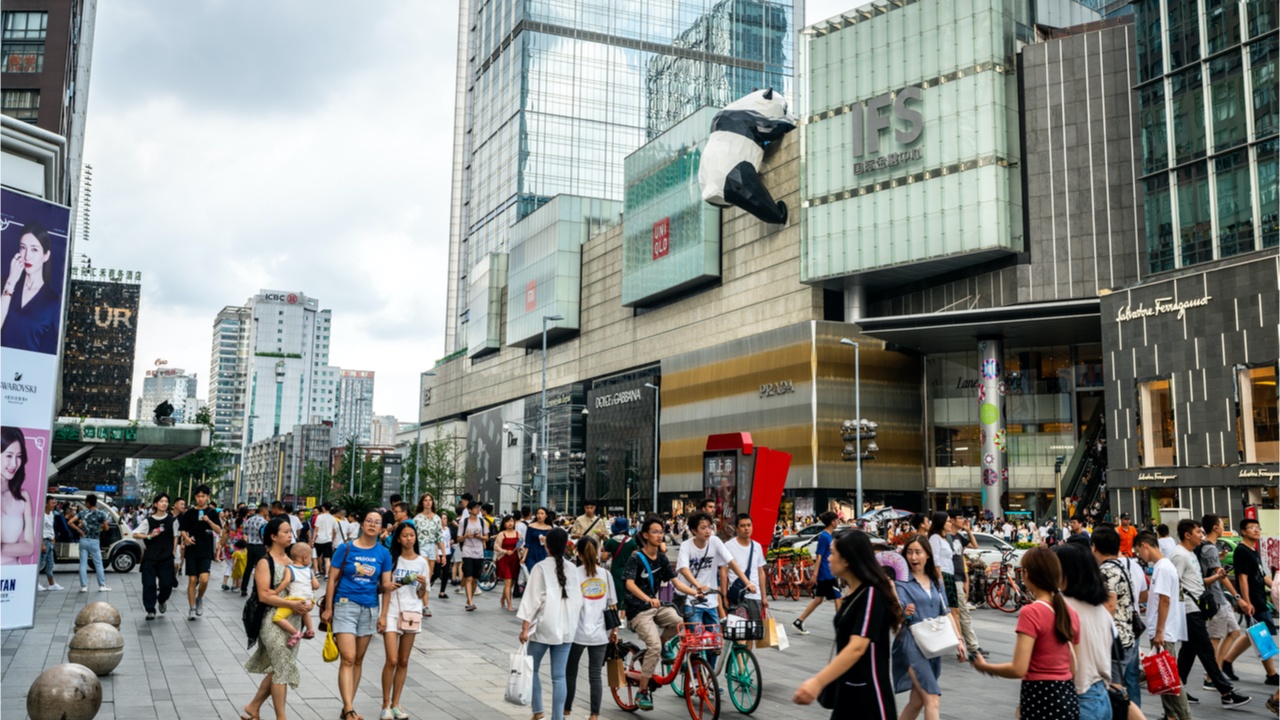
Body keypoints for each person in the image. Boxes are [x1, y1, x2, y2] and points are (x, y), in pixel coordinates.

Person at [793, 530, 902, 719]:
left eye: (833, 553)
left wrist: (817, 682)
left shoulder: (871, 595)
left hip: (870, 697)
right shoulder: (852, 593)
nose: (828, 558)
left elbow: (857, 648)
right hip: (847, 692)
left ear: (847, 560)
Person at [972, 548, 1080, 720]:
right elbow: (1074, 669)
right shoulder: (1071, 613)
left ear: (1027, 574)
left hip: (1039, 697)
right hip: (1067, 697)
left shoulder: (1031, 612)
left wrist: (986, 667)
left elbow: (1019, 668)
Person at [623, 515, 703, 711]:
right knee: (655, 647)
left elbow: (676, 582)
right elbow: (629, 583)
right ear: (645, 535)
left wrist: (696, 591)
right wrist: (647, 598)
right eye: (655, 532)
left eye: (662, 532)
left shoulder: (662, 558)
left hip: (655, 607)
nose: (660, 536)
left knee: (678, 622)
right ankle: (642, 691)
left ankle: (660, 645)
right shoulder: (636, 557)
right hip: (638, 611)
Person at [1167, 519, 1248, 707]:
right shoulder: (1179, 555)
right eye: (1198, 532)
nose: (1201, 536)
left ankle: (1177, 689)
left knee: (1189, 650)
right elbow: (1174, 584)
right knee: (1205, 650)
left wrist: (1216, 577)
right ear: (1187, 535)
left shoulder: (1190, 554)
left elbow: (1196, 581)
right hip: (1189, 610)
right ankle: (1226, 692)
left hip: (1196, 608)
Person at [322, 510, 394, 720]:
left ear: (381, 528)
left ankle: (347, 708)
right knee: (348, 658)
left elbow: (387, 586)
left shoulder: (383, 554)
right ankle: (349, 707)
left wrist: (383, 615)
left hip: (370, 608)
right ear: (362, 524)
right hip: (345, 605)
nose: (372, 524)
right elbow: (332, 579)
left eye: (377, 522)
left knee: (359, 659)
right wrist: (328, 607)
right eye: (369, 521)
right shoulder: (345, 548)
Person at [241, 516, 309, 720]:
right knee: (281, 668)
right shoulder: (264, 562)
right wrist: (291, 604)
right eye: (286, 532)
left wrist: (306, 605)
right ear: (273, 536)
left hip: (293, 622)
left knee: (280, 667)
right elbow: (264, 596)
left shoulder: (293, 561)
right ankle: (281, 717)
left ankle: (253, 707)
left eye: (291, 531)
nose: (291, 535)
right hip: (271, 621)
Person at [892, 534, 966, 720]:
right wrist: (904, 611)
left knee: (917, 701)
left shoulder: (936, 581)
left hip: (933, 645)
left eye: (918, 552)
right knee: (932, 698)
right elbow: (897, 613)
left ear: (927, 555)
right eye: (909, 552)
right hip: (911, 644)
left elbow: (946, 611)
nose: (913, 557)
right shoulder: (901, 582)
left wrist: (959, 639)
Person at [518, 527, 583, 720]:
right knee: (559, 676)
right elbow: (579, 600)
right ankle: (558, 718)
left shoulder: (540, 568)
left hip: (545, 627)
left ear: (546, 546)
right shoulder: (572, 569)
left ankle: (538, 711)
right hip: (567, 628)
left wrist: (524, 628)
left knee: (533, 668)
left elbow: (531, 600)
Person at [676, 510, 756, 659]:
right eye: (703, 528)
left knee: (715, 645)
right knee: (698, 644)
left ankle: (709, 680)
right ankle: (695, 678)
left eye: (709, 527)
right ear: (694, 531)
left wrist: (747, 582)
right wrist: (698, 585)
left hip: (711, 601)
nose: (708, 531)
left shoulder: (715, 541)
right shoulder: (686, 546)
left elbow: (732, 562)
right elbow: (684, 569)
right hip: (691, 600)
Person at [1053, 542, 1115, 720]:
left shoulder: (1061, 605)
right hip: (1102, 695)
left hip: (1079, 696)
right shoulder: (1101, 609)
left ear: (1066, 572)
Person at [1134, 531, 1192, 720]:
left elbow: (1165, 600)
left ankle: (1184, 716)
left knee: (1171, 678)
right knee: (1163, 676)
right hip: (1161, 630)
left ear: (1145, 545)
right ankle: (1171, 715)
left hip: (1163, 632)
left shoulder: (1163, 568)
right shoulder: (1163, 566)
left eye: (1138, 551)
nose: (1140, 556)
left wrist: (1159, 631)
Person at [1197, 513, 1256, 687]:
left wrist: (1220, 560)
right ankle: (1210, 677)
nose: (1224, 528)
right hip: (1215, 599)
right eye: (1222, 525)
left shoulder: (1208, 547)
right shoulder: (1210, 548)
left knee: (1234, 632)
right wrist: (1238, 597)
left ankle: (1217, 668)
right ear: (1215, 528)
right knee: (1215, 637)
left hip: (1219, 597)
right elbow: (1221, 576)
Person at [379, 521, 428, 720]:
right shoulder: (392, 560)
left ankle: (396, 703)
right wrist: (382, 615)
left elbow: (421, 595)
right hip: (392, 612)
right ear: (398, 538)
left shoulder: (422, 562)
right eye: (405, 535)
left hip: (412, 613)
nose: (409, 539)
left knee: (404, 660)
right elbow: (385, 590)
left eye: (412, 535)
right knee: (392, 659)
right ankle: (385, 704)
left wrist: (423, 585)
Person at [1092, 524, 1144, 708]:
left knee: (1114, 691)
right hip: (1127, 636)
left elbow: (1110, 605)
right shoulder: (1122, 567)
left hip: (1115, 640)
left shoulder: (1106, 570)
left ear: (1094, 547)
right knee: (1119, 688)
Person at [565, 536, 617, 720]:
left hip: (576, 633)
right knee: (595, 675)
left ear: (578, 553)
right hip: (600, 633)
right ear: (597, 552)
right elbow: (612, 605)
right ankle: (594, 714)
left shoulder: (574, 574)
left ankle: (567, 709)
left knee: (570, 671)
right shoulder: (606, 575)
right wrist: (615, 631)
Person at [1224, 516, 1279, 686]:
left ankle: (1227, 662)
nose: (1256, 530)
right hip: (1253, 601)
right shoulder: (1241, 551)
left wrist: (1276, 586)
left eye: (1258, 527)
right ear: (1243, 531)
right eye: (1252, 527)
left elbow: (1261, 576)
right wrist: (1246, 602)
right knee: (1262, 635)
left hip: (1259, 598)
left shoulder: (1253, 551)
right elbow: (1242, 578)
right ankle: (1271, 674)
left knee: (1254, 634)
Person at [1, 222, 61, 353]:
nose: (27, 256)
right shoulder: (5, 283)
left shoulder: (54, 302)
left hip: (27, 370)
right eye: (23, 248)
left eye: (34, 249)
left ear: (46, 255)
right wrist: (10, 282)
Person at [793, 511, 842, 635]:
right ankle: (841, 627)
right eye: (836, 520)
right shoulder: (824, 536)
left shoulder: (828, 536)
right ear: (832, 522)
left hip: (826, 572)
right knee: (838, 598)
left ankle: (799, 621)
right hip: (826, 573)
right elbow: (819, 556)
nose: (838, 522)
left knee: (819, 599)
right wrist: (815, 574)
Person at [133, 493, 179, 619]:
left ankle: (162, 600)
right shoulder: (148, 521)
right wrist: (148, 536)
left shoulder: (172, 520)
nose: (164, 503)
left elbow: (176, 536)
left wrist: (174, 552)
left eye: (166, 501)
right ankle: (150, 609)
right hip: (150, 558)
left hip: (166, 558)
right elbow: (135, 534)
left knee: (166, 585)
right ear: (155, 504)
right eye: (161, 501)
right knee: (148, 584)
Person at [179, 484, 222, 620]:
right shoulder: (189, 513)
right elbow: (183, 529)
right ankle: (191, 608)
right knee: (192, 579)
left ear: (208, 497)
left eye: (203, 496)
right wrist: (186, 538)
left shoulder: (212, 512)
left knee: (204, 580)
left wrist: (209, 521)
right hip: (192, 549)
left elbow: (218, 530)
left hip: (206, 550)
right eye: (198, 496)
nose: (200, 499)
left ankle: (199, 599)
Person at [948, 512, 983, 656]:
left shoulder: (959, 537)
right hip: (952, 578)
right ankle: (972, 647)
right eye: (960, 517)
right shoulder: (946, 537)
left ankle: (966, 645)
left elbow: (975, 545)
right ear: (951, 520)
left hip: (959, 577)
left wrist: (968, 530)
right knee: (962, 613)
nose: (963, 520)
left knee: (959, 613)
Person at [0, 427, 36, 567]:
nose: (14, 464)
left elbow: (30, 548)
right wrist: (15, 548)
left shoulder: (23, 497)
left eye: (19, 456)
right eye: (9, 455)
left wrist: (2, 548)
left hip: (13, 576)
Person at [271, 543, 319, 647]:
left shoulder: (290, 568)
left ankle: (294, 632)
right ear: (305, 557)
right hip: (309, 601)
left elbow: (286, 582)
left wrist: (275, 592)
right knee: (305, 612)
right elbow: (316, 586)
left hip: (295, 600)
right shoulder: (309, 571)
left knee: (277, 618)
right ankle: (310, 630)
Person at [723, 513, 769, 620]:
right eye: (743, 526)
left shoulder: (757, 546)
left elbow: (761, 573)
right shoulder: (728, 546)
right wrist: (724, 596)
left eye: (749, 525)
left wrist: (764, 597)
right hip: (737, 596)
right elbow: (724, 572)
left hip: (754, 595)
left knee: (754, 630)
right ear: (737, 528)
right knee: (740, 629)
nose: (746, 528)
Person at [69, 493, 110, 592]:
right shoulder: (101, 514)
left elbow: (70, 522)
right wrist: (99, 528)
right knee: (98, 564)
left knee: (83, 563)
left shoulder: (82, 513)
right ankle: (102, 585)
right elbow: (107, 528)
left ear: (88, 503)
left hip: (83, 540)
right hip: (94, 541)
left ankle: (83, 586)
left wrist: (79, 530)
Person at [412, 493, 446, 613]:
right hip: (421, 547)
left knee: (429, 576)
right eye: (425, 500)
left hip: (432, 547)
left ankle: (421, 597)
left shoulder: (437, 518)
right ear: (422, 503)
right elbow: (413, 535)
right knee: (425, 573)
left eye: (430, 500)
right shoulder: (417, 518)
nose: (428, 502)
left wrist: (443, 554)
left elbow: (439, 537)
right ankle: (425, 605)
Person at [457, 502, 490, 611]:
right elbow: (458, 538)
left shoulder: (482, 521)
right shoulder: (464, 522)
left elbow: (487, 537)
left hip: (479, 552)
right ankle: (470, 602)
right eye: (475, 507)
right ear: (469, 510)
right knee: (469, 577)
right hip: (467, 551)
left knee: (475, 579)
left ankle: (469, 599)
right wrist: (466, 536)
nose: (478, 509)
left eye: (478, 507)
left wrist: (480, 537)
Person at [494, 514, 522, 611]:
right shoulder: (501, 534)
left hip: (515, 559)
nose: (510, 523)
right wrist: (505, 551)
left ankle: (502, 598)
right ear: (504, 523)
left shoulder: (518, 534)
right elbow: (496, 547)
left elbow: (521, 545)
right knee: (508, 581)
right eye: (508, 521)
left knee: (511, 582)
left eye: (512, 521)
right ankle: (509, 604)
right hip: (504, 559)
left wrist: (519, 549)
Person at [241, 504, 269, 596]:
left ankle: (243, 588)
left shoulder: (249, 520)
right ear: (263, 510)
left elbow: (245, 532)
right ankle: (255, 588)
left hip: (250, 546)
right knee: (259, 568)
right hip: (260, 546)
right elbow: (265, 534)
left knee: (248, 567)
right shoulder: (263, 521)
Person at [37, 495, 62, 590]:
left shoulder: (51, 513)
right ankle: (36, 583)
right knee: (41, 563)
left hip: (50, 540)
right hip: (44, 541)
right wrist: (42, 543)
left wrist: (53, 537)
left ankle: (51, 584)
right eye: (52, 503)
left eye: (54, 503)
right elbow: (40, 530)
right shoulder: (42, 515)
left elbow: (51, 527)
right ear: (46, 504)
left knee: (50, 563)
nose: (54, 505)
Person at [312, 502, 338, 579]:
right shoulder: (333, 518)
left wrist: (313, 540)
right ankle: (326, 574)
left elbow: (316, 529)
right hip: (328, 540)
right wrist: (332, 541)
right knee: (327, 558)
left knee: (315, 556)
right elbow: (334, 531)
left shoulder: (319, 517)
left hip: (319, 540)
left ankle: (317, 572)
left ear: (323, 508)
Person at [524, 507, 554, 572]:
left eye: (542, 513)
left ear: (546, 516)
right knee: (532, 572)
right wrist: (524, 557)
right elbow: (527, 543)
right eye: (538, 513)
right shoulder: (531, 526)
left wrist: (547, 539)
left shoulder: (549, 528)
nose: (539, 515)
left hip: (544, 552)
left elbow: (553, 542)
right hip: (531, 553)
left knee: (542, 573)